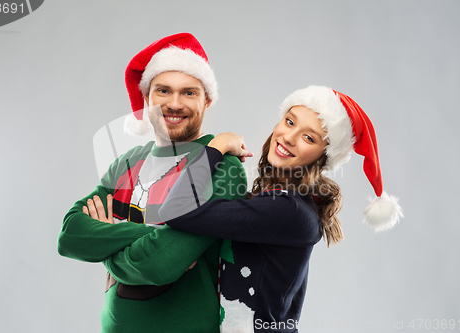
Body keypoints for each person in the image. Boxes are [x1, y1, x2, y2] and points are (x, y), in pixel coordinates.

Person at [159, 85, 403, 332]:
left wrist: (217, 147)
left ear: (323, 156)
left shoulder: (287, 210)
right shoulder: (284, 202)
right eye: (289, 122)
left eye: (309, 138)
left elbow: (174, 211)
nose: (289, 137)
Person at [57, 33, 247, 333]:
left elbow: (160, 264)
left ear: (207, 101)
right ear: (147, 98)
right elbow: (70, 236)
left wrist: (105, 243)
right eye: (163, 91)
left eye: (189, 93)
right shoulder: (128, 162)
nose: (174, 104)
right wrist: (153, 235)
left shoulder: (222, 166)